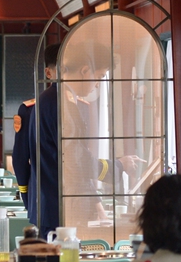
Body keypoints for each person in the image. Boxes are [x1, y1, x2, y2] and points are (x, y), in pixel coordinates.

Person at [35, 42, 146, 237]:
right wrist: (118, 165)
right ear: (85, 70)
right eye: (100, 76)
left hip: (55, 204)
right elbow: (75, 161)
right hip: (61, 206)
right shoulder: (62, 103)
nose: (98, 84)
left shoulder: (53, 98)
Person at [11, 43, 60, 226]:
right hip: (44, 197)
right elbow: (21, 158)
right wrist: (26, 194)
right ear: (49, 73)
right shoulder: (30, 110)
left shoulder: (82, 106)